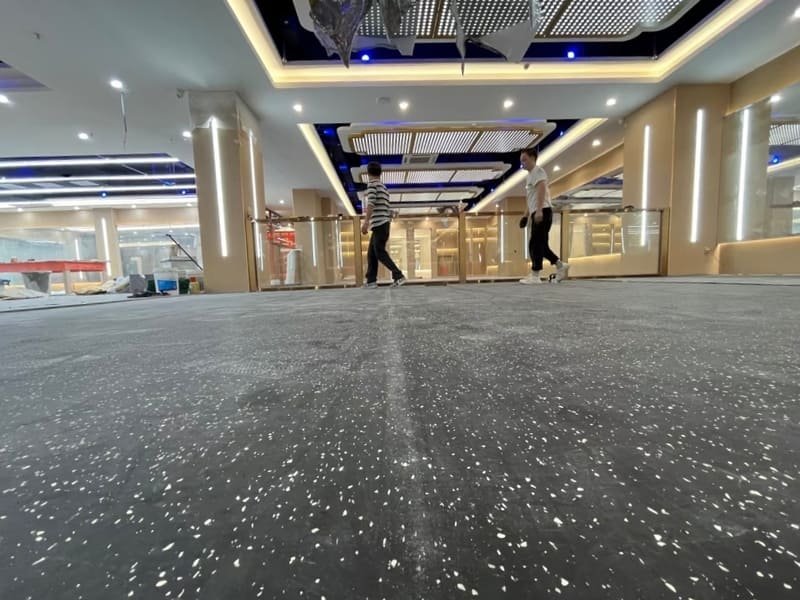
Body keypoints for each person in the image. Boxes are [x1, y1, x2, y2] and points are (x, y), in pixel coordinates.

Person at [518, 147, 569, 285]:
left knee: (534, 243)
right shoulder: (530, 176)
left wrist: (539, 210)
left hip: (543, 211)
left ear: (533, 158)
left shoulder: (538, 172)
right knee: (541, 245)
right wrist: (525, 216)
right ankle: (560, 265)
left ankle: (535, 275)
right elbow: (531, 198)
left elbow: (542, 189)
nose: (522, 163)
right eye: (521, 161)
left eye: (524, 160)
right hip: (537, 211)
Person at [361, 161, 406, 288]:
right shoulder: (384, 188)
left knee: (379, 252)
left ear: (368, 173)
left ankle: (398, 275)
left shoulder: (372, 185)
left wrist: (366, 222)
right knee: (372, 253)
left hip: (379, 224)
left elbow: (371, 203)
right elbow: (386, 207)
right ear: (380, 173)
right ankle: (371, 280)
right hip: (383, 224)